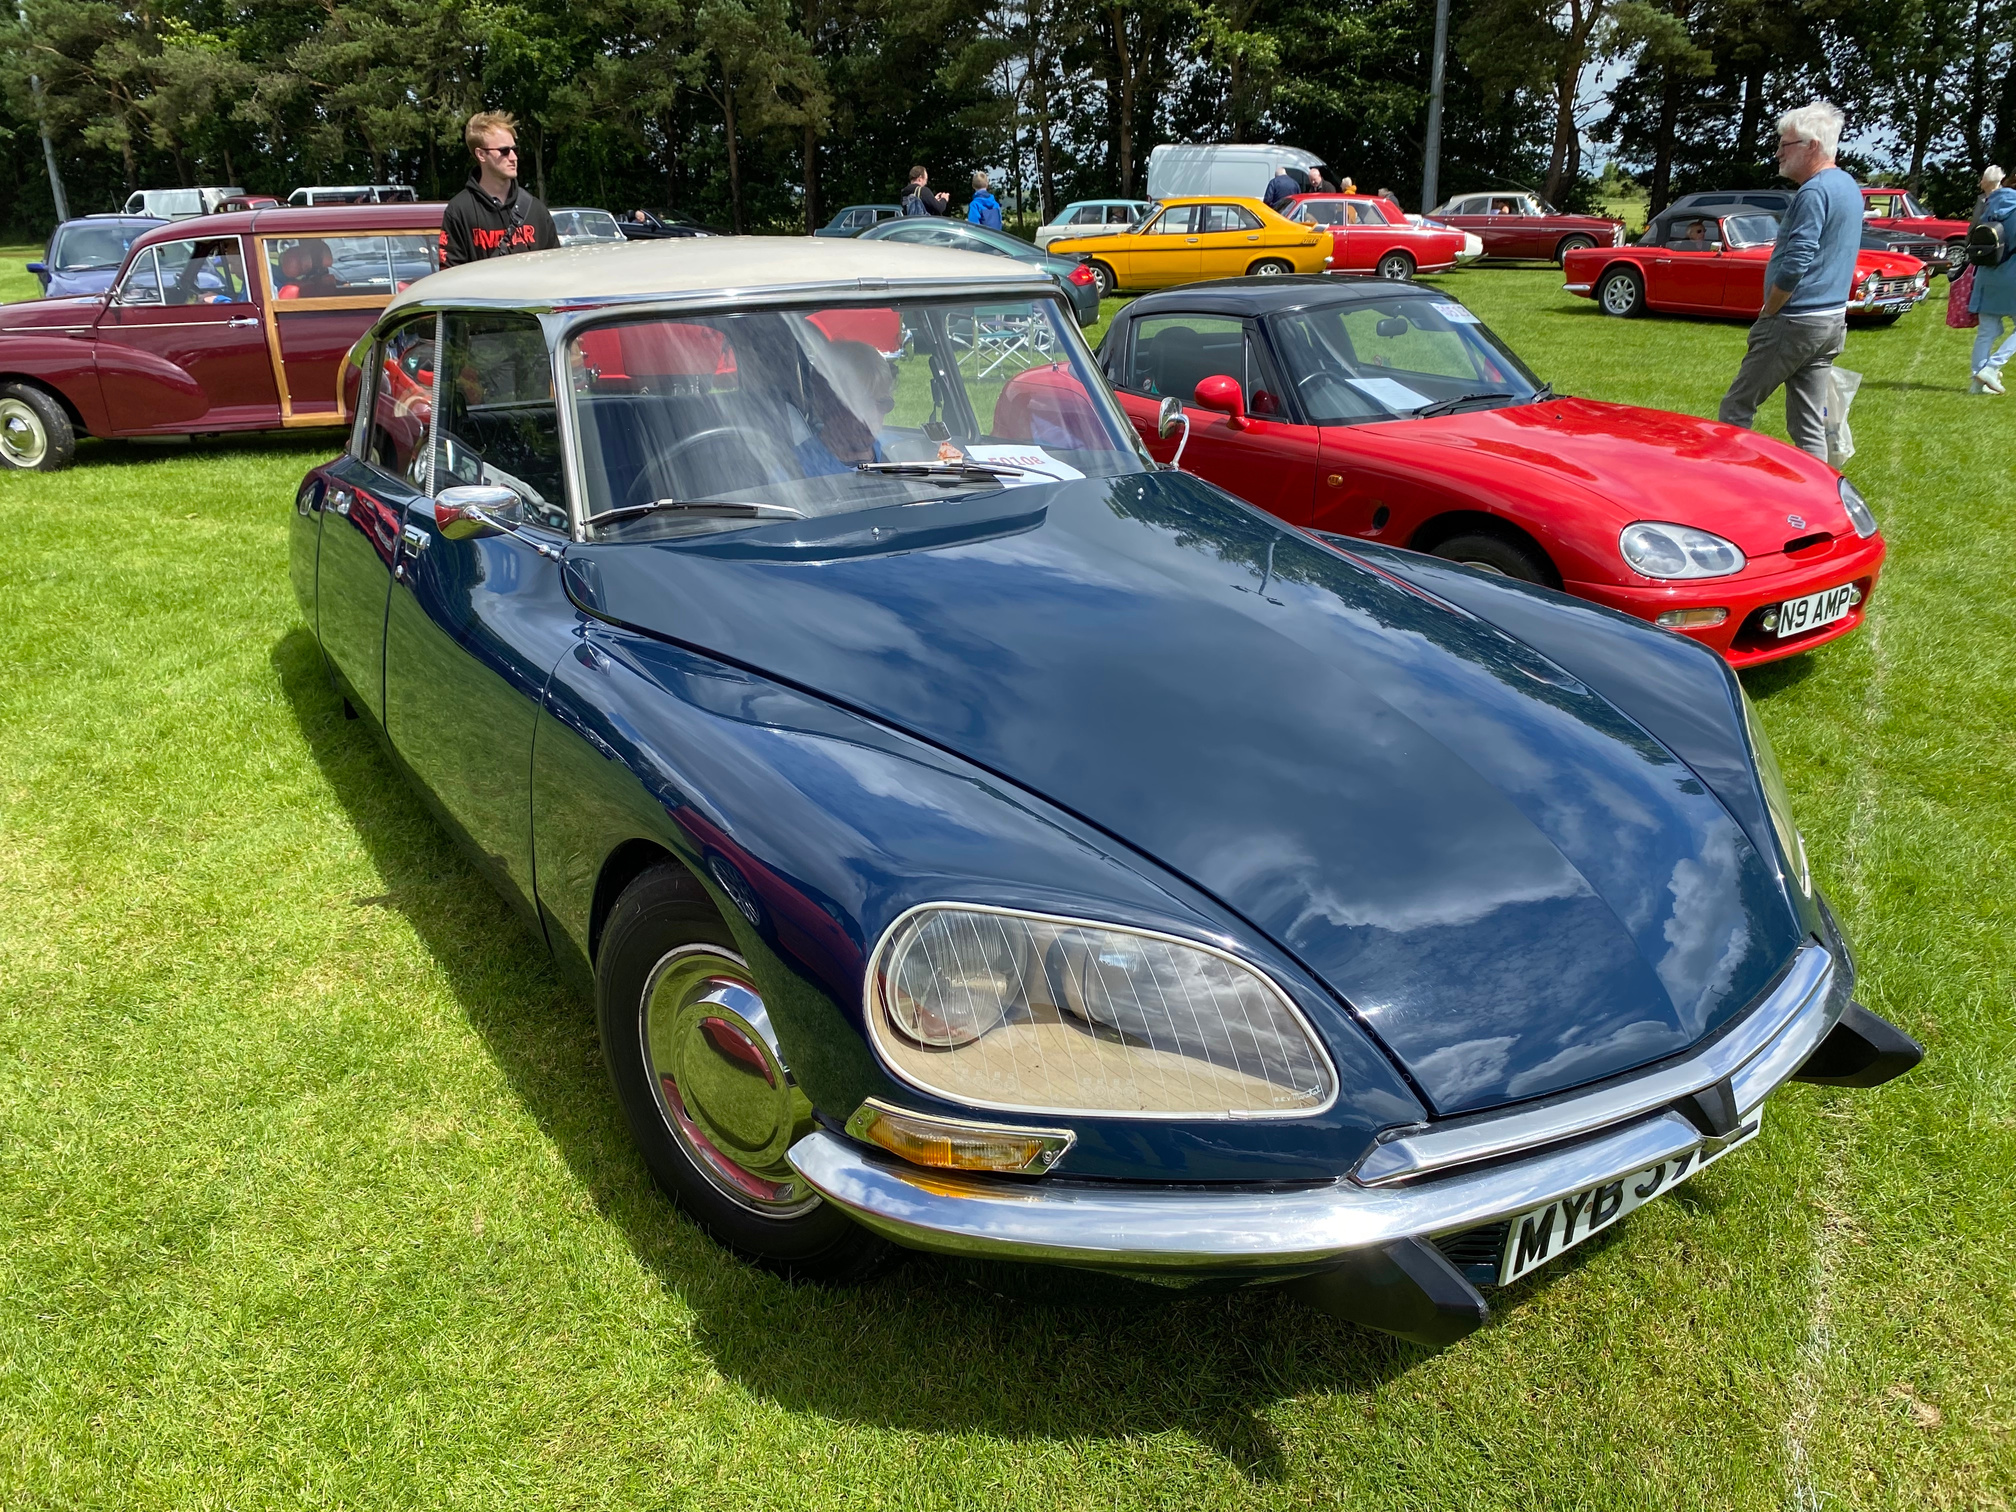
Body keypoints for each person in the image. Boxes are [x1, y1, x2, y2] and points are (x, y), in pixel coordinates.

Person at [1716, 101, 1862, 461]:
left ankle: (1724, 485)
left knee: (1736, 407)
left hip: (1795, 320)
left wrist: (1771, 308)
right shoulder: (1846, 185)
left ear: (1813, 146)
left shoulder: (1814, 192)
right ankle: (1818, 500)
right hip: (1831, 321)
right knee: (1808, 423)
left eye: (1786, 143)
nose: (1778, 152)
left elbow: (1798, 259)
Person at [439, 110, 559, 269]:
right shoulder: (459, 211)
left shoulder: (536, 210)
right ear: (481, 155)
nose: (514, 157)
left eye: (515, 150)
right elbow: (449, 277)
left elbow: (556, 269)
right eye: (504, 151)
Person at [1968, 165, 2016, 393]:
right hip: (2012, 274)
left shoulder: (1987, 207)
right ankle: (1992, 367)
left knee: (1986, 331)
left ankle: (1977, 383)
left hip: (1987, 275)